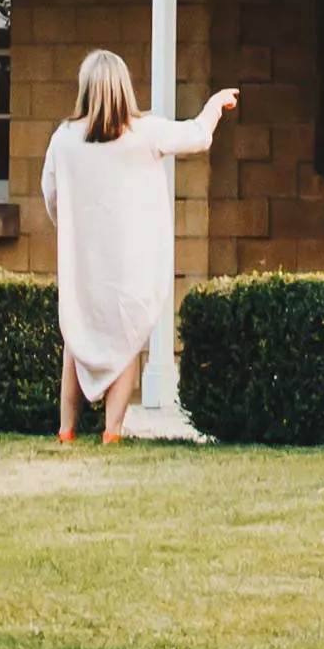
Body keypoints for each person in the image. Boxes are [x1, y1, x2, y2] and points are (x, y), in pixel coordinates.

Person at [40, 49, 236, 443]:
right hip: (127, 263)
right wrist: (215, 105)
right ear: (123, 88)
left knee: (76, 339)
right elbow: (197, 136)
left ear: (85, 89)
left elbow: (51, 193)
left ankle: (67, 429)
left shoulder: (64, 139)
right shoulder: (143, 132)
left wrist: (73, 227)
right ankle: (111, 431)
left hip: (85, 262)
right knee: (126, 338)